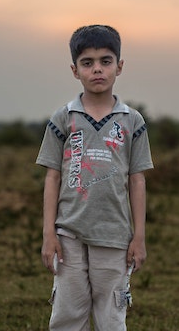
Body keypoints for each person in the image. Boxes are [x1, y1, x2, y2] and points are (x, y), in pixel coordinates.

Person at [36, 24, 154, 330]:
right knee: (67, 315)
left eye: (105, 61)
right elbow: (52, 177)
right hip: (69, 234)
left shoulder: (132, 121)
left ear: (120, 66)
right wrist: (49, 233)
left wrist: (139, 237)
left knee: (111, 316)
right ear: (75, 71)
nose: (97, 69)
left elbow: (137, 180)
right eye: (87, 63)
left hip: (115, 235)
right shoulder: (63, 118)